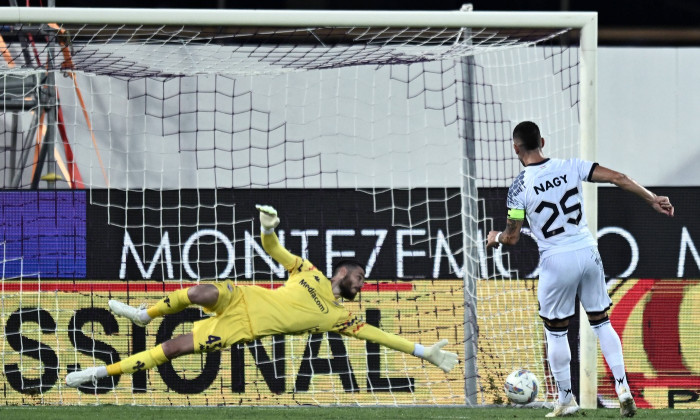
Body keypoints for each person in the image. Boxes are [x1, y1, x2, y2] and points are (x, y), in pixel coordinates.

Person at [66, 204, 458, 388]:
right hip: (241, 298)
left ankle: (98, 374)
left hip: (241, 329)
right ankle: (144, 314)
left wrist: (423, 352)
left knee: (172, 349)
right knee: (201, 289)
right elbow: (274, 251)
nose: (361, 282)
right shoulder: (310, 272)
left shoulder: (338, 318)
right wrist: (269, 228)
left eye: (362, 280)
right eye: (359, 275)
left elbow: (380, 336)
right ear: (342, 271)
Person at [486, 121, 673, 418]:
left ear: (515, 148)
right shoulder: (571, 166)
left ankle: (565, 399)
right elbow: (619, 178)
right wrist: (652, 199)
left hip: (556, 260)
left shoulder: (518, 189)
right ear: (543, 141)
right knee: (601, 322)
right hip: (588, 252)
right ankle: (623, 387)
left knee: (556, 333)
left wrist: (495, 237)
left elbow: (511, 236)